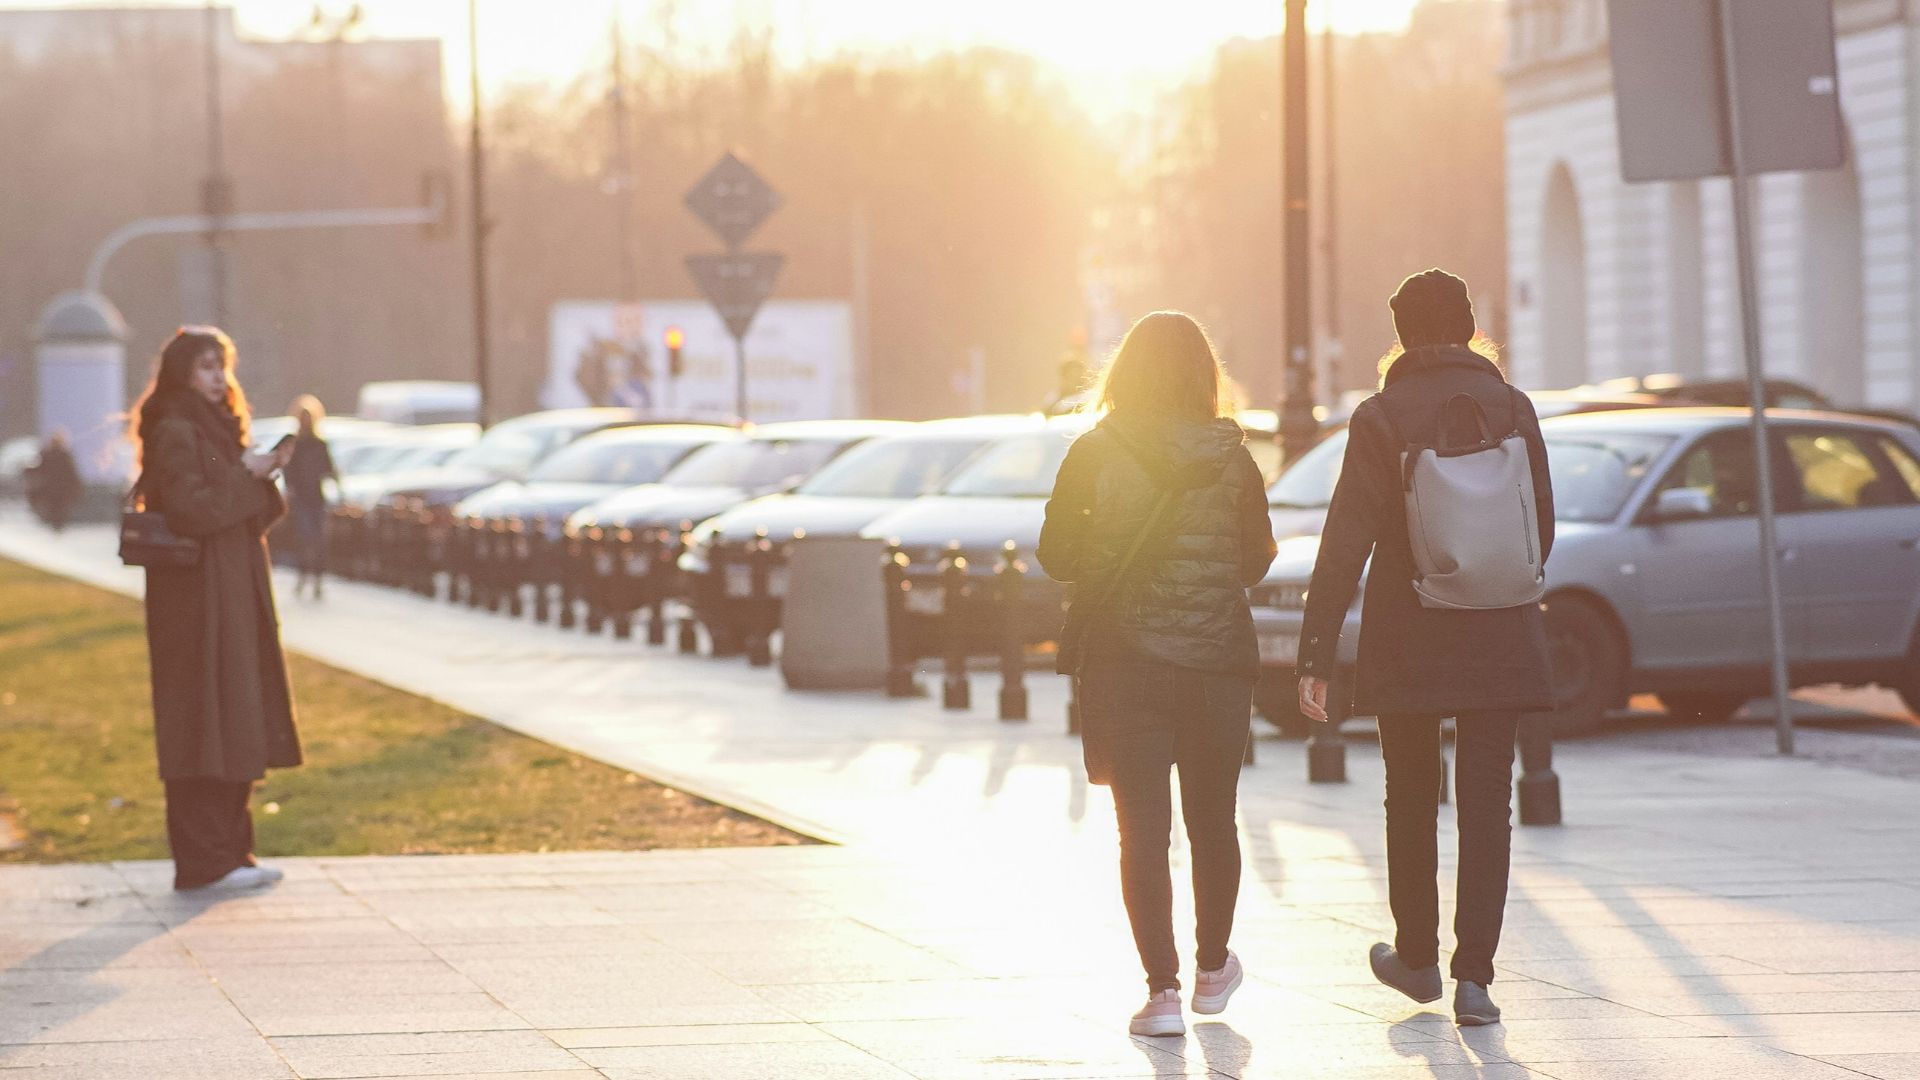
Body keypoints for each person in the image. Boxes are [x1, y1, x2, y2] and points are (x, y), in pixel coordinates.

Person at [1296, 269, 1556, 1027]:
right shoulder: (1513, 407)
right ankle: (1475, 977)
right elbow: (1541, 521)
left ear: (1402, 335)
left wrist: (1316, 654)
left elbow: (1345, 541)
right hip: (1499, 626)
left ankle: (1415, 960)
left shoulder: (1380, 417)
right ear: (1472, 329)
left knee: (1409, 796)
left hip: (1408, 630)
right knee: (1487, 803)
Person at [1037, 311, 1278, 1038]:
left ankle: (1162, 993)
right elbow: (1256, 557)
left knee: (1140, 828)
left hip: (1124, 662)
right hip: (1216, 667)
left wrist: (1113, 561)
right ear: (1204, 376)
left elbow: (1055, 554)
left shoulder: (1094, 453)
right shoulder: (1233, 458)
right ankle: (1212, 970)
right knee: (1214, 822)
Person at [128, 326, 303, 892]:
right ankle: (206, 860)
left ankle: (233, 852)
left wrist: (261, 474)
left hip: (232, 597)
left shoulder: (219, 429)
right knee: (203, 721)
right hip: (196, 604)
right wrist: (244, 476)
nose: (218, 379)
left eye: (222, 367)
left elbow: (244, 513)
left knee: (237, 717)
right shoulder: (175, 430)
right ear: (182, 372)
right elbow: (189, 511)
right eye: (206, 367)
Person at [283, 395, 339, 599]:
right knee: (305, 537)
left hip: (316, 496)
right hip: (302, 497)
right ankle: (303, 575)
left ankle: (316, 578)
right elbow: (289, 469)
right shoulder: (296, 443)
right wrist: (289, 489)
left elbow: (329, 468)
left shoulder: (319, 444)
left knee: (318, 539)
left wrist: (336, 485)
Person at [24, 429, 81, 531]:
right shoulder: (62, 455)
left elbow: (40, 468)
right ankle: (57, 526)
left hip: (53, 487)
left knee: (56, 507)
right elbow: (71, 473)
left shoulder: (50, 454)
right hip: (57, 487)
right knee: (58, 508)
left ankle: (56, 526)